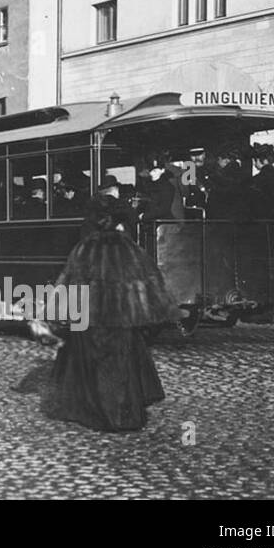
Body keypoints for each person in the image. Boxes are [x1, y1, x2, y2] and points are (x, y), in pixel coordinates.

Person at [33, 174, 181, 431]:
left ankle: (101, 412)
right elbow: (149, 281)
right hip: (122, 320)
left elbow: (69, 284)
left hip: (92, 319)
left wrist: (59, 314)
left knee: (96, 365)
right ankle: (123, 414)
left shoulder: (85, 248)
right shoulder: (129, 248)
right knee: (121, 364)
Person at [138, 153, 182, 224]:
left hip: (165, 224)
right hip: (152, 221)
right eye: (150, 171)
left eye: (155, 171)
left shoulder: (167, 186)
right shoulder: (149, 185)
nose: (152, 174)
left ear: (162, 170)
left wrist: (144, 216)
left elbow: (163, 209)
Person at [249, 143, 274, 220]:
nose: (254, 163)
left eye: (255, 160)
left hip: (261, 218)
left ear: (263, 160)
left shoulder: (256, 179)